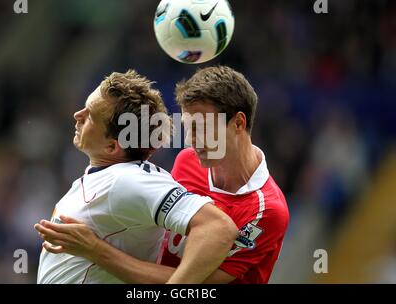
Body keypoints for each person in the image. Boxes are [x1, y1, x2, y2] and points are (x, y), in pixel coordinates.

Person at [36, 66, 290, 284]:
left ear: (238, 123)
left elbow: (197, 281)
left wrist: (97, 251)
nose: (192, 140)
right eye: (188, 128)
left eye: (202, 128)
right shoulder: (188, 161)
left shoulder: (266, 209)